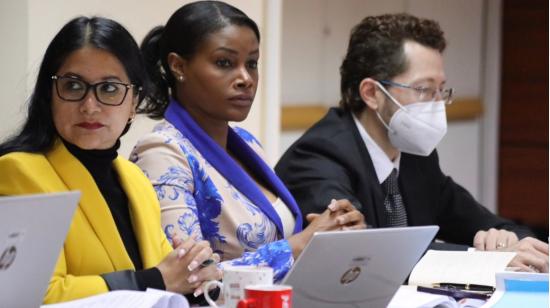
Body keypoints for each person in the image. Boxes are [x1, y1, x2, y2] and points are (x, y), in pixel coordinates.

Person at [275, 13, 548, 273]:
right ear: (371, 93)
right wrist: (483, 260)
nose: (438, 103)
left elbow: (489, 223)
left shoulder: (416, 155)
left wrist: (507, 242)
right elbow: (365, 254)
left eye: (441, 89)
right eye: (424, 89)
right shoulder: (318, 156)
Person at [131, 0, 365, 282]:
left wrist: (334, 230)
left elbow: (280, 239)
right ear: (178, 66)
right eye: (224, 63)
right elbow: (189, 278)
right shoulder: (161, 152)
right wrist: (302, 244)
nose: (245, 78)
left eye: (251, 63)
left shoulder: (247, 142)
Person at [0, 16, 221, 304]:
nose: (90, 106)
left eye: (109, 89)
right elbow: (35, 296)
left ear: (133, 103)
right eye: (73, 86)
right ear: (49, 95)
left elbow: (169, 279)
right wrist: (155, 280)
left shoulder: (135, 179)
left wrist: (195, 274)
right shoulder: (17, 171)